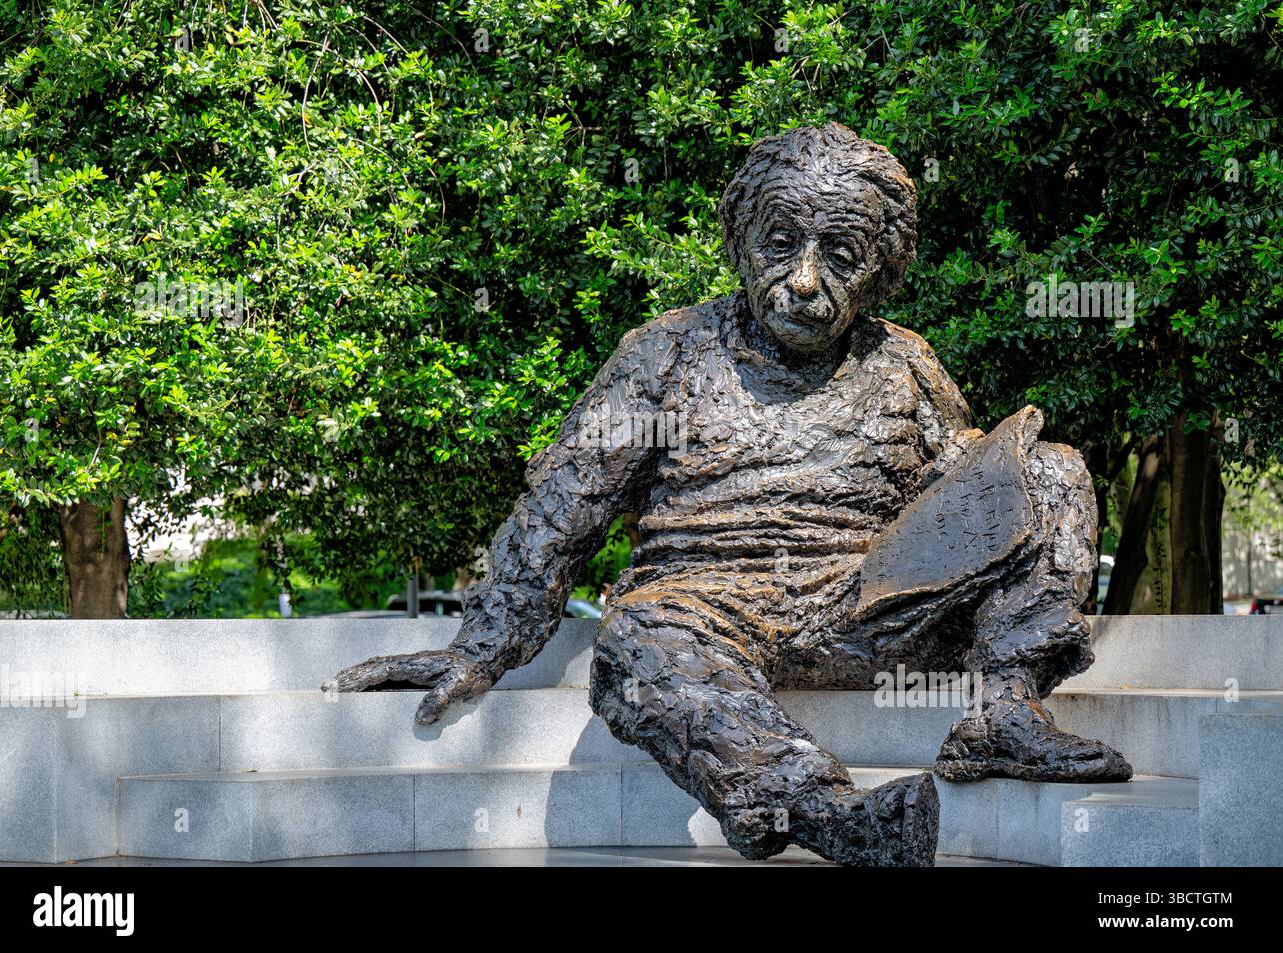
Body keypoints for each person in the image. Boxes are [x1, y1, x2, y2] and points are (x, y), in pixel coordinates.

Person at [331, 124, 1130, 866]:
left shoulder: (905, 362)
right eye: (781, 245)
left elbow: (965, 502)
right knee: (639, 640)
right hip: (703, 610)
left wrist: (1008, 469)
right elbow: (563, 507)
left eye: (841, 253)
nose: (806, 280)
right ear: (741, 244)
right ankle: (817, 809)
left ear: (883, 268)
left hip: (866, 612)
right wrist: (479, 648)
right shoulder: (665, 354)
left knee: (1050, 468)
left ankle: (1004, 715)